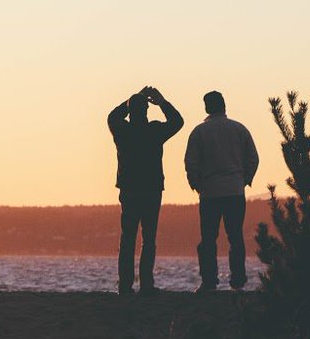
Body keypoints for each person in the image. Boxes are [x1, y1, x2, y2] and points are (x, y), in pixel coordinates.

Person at [107, 86, 184, 295]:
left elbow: (113, 116)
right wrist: (162, 102)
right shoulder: (155, 131)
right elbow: (177, 122)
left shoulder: (122, 130)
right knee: (149, 238)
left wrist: (134, 98)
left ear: (130, 111)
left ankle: (125, 285)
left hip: (129, 189)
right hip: (151, 189)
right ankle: (146, 284)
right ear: (147, 111)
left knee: (128, 237)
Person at [184, 90, 259, 293]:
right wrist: (244, 180)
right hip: (235, 191)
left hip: (209, 192)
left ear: (206, 107)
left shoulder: (199, 132)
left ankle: (209, 281)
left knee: (208, 239)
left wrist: (196, 183)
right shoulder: (239, 129)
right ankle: (238, 281)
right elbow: (253, 158)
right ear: (224, 105)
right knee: (235, 237)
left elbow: (191, 161)